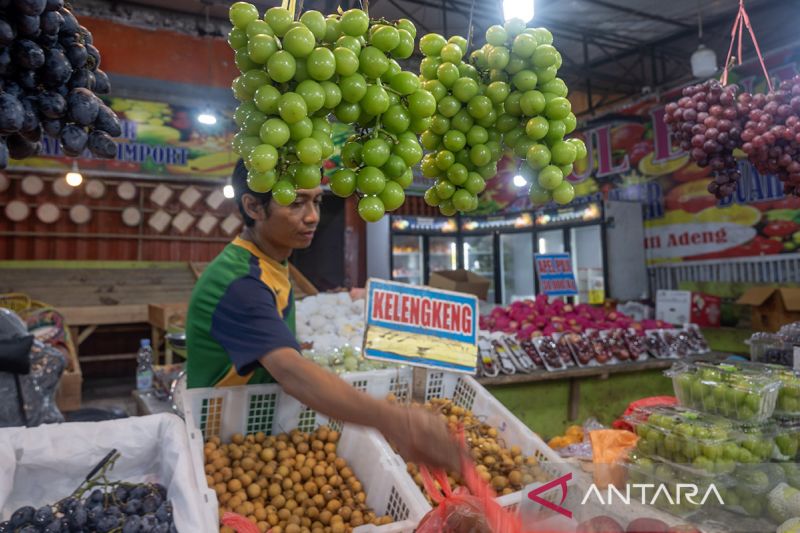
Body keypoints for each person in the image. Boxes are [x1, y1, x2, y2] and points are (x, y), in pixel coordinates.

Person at [186, 160, 462, 473]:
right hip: (224, 448)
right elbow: (292, 373)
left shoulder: (270, 261)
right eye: (296, 203)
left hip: (256, 439)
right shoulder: (239, 281)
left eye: (317, 201)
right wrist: (397, 421)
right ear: (253, 207)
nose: (313, 216)